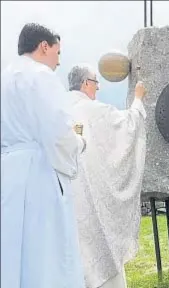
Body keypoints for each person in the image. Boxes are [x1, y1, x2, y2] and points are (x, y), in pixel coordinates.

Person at [1, 23, 86, 288]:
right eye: (57, 53)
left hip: (8, 171)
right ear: (44, 46)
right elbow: (58, 131)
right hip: (38, 171)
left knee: (12, 251)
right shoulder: (41, 75)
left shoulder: (4, 78)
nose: (58, 62)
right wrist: (79, 143)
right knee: (45, 252)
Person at [67, 64, 147, 288]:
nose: (98, 88)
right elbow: (128, 126)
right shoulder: (94, 110)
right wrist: (138, 98)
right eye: (95, 82)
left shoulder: (60, 108)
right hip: (91, 198)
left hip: (66, 196)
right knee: (100, 250)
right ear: (85, 84)